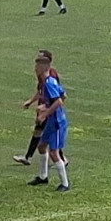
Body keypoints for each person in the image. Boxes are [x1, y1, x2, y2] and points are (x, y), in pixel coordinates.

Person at [13, 50, 68, 167]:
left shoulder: (50, 75)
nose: (37, 62)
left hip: (48, 109)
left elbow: (59, 96)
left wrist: (46, 110)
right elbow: (40, 90)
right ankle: (28, 157)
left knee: (47, 133)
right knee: (40, 132)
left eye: (40, 59)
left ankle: (60, 159)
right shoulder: (41, 75)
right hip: (43, 106)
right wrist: (31, 101)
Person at [27, 54, 70, 192]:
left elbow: (59, 101)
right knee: (41, 146)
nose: (35, 68)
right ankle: (43, 176)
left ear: (43, 67)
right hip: (52, 121)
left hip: (57, 122)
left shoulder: (49, 83)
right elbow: (62, 95)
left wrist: (44, 113)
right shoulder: (48, 81)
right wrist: (44, 106)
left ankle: (65, 184)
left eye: (37, 66)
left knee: (53, 152)